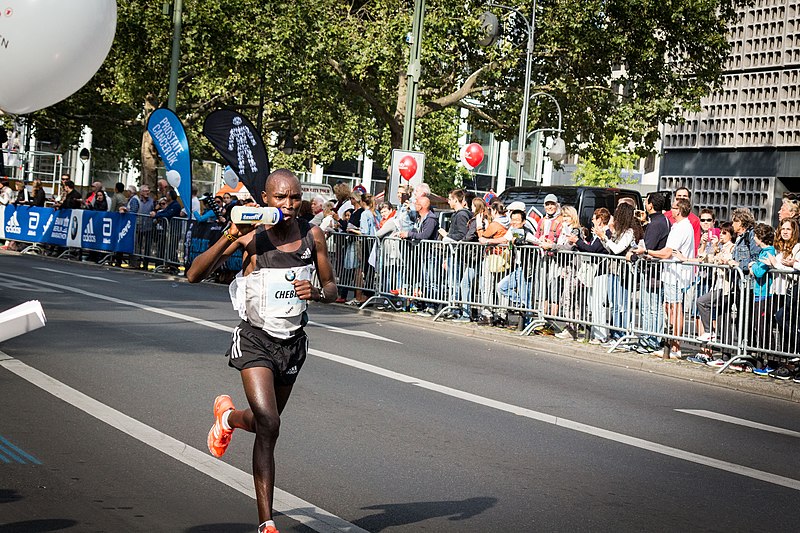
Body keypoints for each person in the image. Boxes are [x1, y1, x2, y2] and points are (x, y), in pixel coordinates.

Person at [186, 169, 336, 533]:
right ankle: (266, 522)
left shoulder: (312, 235)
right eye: (281, 198)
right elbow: (194, 275)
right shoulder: (250, 237)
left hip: (292, 344)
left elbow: (331, 286)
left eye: (295, 197)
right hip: (255, 339)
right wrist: (228, 236)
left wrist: (315, 293)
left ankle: (228, 419)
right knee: (270, 422)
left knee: (266, 426)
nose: (288, 205)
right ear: (266, 200)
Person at [645, 198, 696, 358]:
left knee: (675, 308)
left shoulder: (682, 227)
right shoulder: (679, 226)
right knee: (670, 307)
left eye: (674, 208)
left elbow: (667, 252)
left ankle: (675, 347)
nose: (671, 211)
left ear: (679, 210)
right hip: (672, 273)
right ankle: (672, 344)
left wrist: (647, 251)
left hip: (676, 274)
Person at [628, 192, 671, 353]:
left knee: (651, 307)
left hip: (653, 270)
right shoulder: (663, 220)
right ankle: (652, 337)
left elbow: (647, 247)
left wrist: (634, 254)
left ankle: (651, 339)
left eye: (646, 202)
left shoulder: (656, 223)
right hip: (657, 269)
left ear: (650, 205)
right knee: (653, 306)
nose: (645, 204)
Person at [595, 203, 643, 343]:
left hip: (623, 271)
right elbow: (610, 249)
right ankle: (615, 333)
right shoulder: (618, 231)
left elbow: (617, 249)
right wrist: (603, 238)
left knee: (623, 304)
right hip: (613, 269)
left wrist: (604, 237)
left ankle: (623, 333)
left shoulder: (629, 232)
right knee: (614, 304)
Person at [575, 208, 612, 343]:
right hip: (596, 271)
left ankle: (601, 335)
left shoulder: (606, 232)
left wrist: (578, 241)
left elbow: (593, 249)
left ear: (600, 220)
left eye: (594, 219)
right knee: (593, 303)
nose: (592, 221)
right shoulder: (598, 233)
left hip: (601, 271)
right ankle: (596, 333)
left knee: (598, 303)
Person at [748, 223, 777, 373]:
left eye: (755, 236)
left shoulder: (769, 251)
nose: (753, 238)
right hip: (759, 294)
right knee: (759, 328)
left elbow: (759, 272)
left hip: (766, 294)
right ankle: (764, 362)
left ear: (760, 237)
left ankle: (771, 363)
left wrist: (752, 265)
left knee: (763, 329)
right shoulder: (763, 252)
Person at [665, 187, 701, 253]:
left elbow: (695, 243)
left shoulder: (694, 219)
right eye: (679, 196)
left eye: (684, 196)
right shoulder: (666, 215)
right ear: (675, 198)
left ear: (689, 199)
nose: (681, 198)